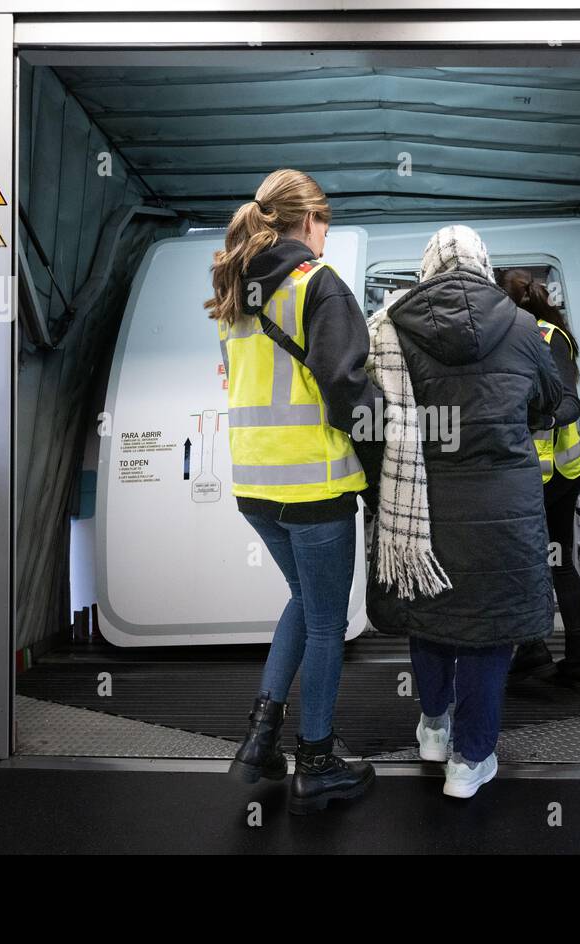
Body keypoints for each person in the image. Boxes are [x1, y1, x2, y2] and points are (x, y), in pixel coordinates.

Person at [206, 168, 383, 814]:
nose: (327, 234)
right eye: (325, 221)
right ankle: (317, 759)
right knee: (328, 622)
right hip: (316, 486)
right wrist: (383, 461)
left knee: (304, 602)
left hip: (256, 485)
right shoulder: (317, 285)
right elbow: (347, 389)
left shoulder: (236, 290)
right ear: (309, 221)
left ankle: (260, 739)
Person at [366, 225, 563, 799]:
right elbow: (550, 399)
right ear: (483, 264)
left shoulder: (391, 329)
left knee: (433, 617)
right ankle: (470, 761)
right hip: (506, 507)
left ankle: (432, 727)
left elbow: (373, 417)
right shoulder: (524, 326)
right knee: (489, 628)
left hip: (426, 507)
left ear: (428, 267)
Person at [501, 270, 580, 693]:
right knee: (547, 563)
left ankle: (571, 658)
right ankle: (544, 650)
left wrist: (540, 418)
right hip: (546, 473)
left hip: (550, 475)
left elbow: (569, 404)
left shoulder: (542, 336)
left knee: (548, 564)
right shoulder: (537, 332)